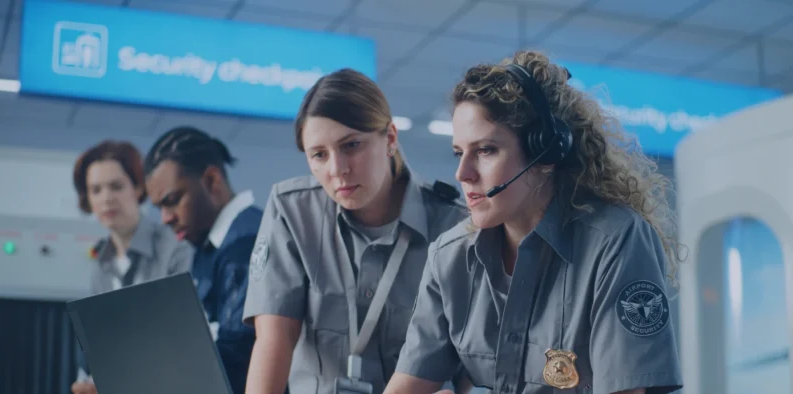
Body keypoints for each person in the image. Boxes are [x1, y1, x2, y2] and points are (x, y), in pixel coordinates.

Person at [384, 50, 685, 394]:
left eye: (485, 151)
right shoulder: (448, 258)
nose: (462, 173)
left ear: (546, 153)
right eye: (458, 152)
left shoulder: (616, 242)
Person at [241, 68, 468, 394]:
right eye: (319, 155)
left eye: (351, 146)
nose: (337, 170)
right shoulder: (293, 213)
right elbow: (274, 341)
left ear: (390, 138)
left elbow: (470, 361)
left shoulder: (453, 227)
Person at [143, 127, 262, 394]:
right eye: (160, 207)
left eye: (172, 201)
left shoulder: (247, 244)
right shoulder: (208, 246)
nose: (165, 218)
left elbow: (236, 357)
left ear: (211, 180)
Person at [69, 140, 194, 394]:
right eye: (96, 190)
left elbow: (183, 344)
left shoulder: (174, 249)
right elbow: (96, 348)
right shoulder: (101, 266)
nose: (106, 199)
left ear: (138, 188)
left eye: (116, 186)